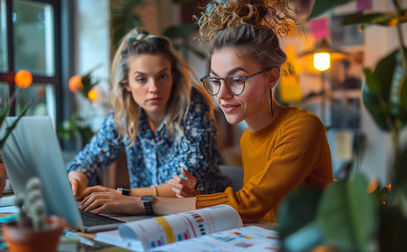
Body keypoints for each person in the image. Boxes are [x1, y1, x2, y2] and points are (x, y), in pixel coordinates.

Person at [77, 0, 333, 223]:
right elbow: (261, 214)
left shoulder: (302, 127)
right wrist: (194, 199)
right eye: (215, 81)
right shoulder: (248, 138)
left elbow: (250, 204)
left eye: (236, 80)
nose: (221, 94)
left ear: (271, 77)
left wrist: (139, 202)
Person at [67, 28, 230, 199]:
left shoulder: (193, 105)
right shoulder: (125, 115)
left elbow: (186, 183)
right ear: (126, 84)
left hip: (207, 213)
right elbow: (85, 161)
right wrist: (77, 181)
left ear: (173, 77)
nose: (154, 88)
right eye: (141, 79)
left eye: (162, 76)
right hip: (146, 215)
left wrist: (121, 195)